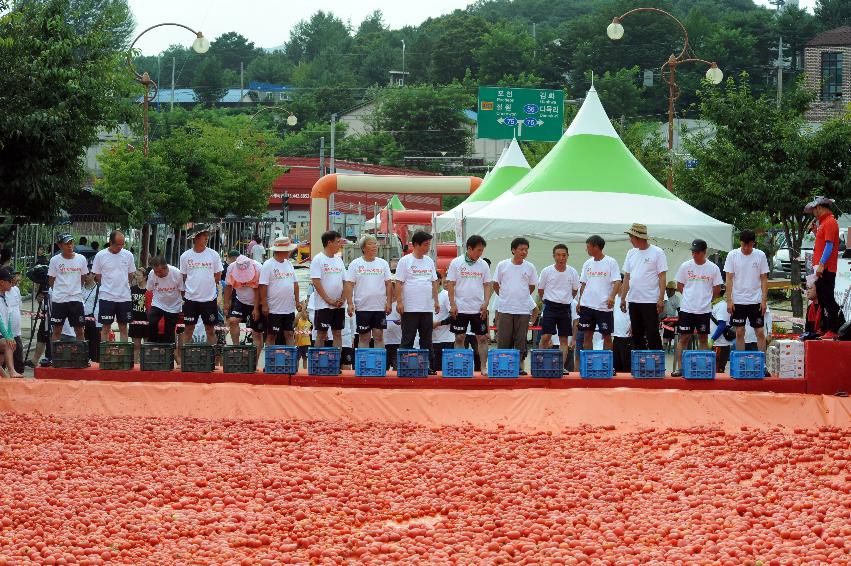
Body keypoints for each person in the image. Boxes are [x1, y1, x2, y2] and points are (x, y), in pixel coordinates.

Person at [671, 239, 724, 377]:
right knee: (684, 338)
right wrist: (689, 298)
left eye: (697, 252)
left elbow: (717, 288)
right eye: (693, 252)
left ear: (705, 252)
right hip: (687, 309)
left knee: (702, 338)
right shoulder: (685, 266)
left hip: (704, 310)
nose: (694, 255)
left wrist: (706, 300)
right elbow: (680, 285)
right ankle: (680, 368)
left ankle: (702, 368)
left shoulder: (713, 268)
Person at [446, 235, 492, 375]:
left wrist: (486, 303)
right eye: (478, 250)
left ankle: (483, 367)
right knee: (460, 337)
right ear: (469, 248)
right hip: (461, 308)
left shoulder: (483, 264)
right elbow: (450, 284)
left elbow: (487, 285)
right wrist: (452, 304)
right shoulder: (456, 263)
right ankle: (459, 366)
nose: (480, 253)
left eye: (482, 250)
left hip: (478, 308)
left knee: (482, 338)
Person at [396, 231, 439, 372]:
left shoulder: (429, 261)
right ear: (415, 245)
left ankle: (427, 367)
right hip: (410, 307)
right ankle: (405, 366)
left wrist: (436, 301)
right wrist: (399, 302)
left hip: (426, 307)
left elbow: (434, 282)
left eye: (429, 244)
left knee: (427, 339)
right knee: (408, 338)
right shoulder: (405, 261)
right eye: (426, 244)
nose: (428, 247)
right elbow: (398, 283)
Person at [575, 235, 621, 369]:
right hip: (587, 305)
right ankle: (588, 365)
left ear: (596, 247)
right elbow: (583, 283)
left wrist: (612, 297)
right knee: (587, 335)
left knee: (606, 336)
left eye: (588, 246)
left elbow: (617, 281)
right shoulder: (587, 263)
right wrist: (579, 301)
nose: (586, 249)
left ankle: (607, 365)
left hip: (603, 306)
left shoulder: (611, 262)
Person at [493, 237, 538, 375]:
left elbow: (531, 286)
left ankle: (519, 367)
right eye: (521, 249)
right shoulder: (502, 265)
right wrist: (506, 296)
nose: (524, 252)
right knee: (504, 339)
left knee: (520, 340)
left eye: (526, 249)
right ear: (513, 250)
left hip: (523, 309)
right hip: (505, 308)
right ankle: (503, 366)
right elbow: (496, 284)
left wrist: (522, 296)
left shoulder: (530, 267)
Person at [620, 223, 667, 351]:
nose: (630, 240)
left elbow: (662, 276)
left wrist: (661, 298)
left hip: (650, 300)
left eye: (631, 237)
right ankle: (640, 364)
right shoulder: (631, 253)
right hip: (634, 299)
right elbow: (627, 277)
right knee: (636, 333)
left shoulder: (657, 252)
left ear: (638, 237)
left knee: (652, 332)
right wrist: (623, 298)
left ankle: (657, 363)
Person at [724, 229, 770, 354]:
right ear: (740, 242)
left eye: (749, 245)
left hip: (756, 299)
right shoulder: (732, 255)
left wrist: (764, 300)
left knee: (760, 331)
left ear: (753, 243)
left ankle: (763, 363)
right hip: (738, 300)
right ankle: (740, 361)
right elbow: (728, 278)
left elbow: (764, 279)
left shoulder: (760, 255)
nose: (746, 248)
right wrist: (729, 300)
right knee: (739, 331)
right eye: (744, 245)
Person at [537, 243, 579, 375]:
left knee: (564, 339)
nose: (561, 258)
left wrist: (565, 300)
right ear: (554, 256)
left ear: (567, 256)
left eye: (564, 255)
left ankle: (560, 366)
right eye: (558, 255)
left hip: (565, 307)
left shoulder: (572, 272)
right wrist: (547, 300)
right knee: (545, 337)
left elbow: (574, 290)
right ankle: (540, 364)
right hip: (550, 306)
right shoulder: (546, 271)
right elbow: (540, 289)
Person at [345, 234, 392, 351]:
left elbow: (388, 283)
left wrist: (389, 302)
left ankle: (378, 364)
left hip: (379, 307)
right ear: (363, 248)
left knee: (378, 336)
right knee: (364, 337)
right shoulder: (355, 264)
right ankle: (363, 365)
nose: (374, 246)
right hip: (362, 307)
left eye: (375, 243)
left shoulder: (383, 263)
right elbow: (349, 285)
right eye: (370, 244)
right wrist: (350, 303)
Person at [806, 196, 843, 338]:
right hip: (820, 267)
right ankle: (826, 327)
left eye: (814, 209)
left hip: (826, 267)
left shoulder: (830, 222)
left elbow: (829, 245)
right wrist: (815, 231)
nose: (813, 213)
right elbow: (822, 243)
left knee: (827, 298)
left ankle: (834, 329)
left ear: (819, 207)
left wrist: (822, 264)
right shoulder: (823, 223)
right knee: (821, 297)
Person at [179, 225, 223, 346]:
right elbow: (183, 276)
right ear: (196, 238)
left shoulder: (213, 255)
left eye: (207, 236)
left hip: (209, 299)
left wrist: (206, 285)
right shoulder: (185, 256)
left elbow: (218, 276)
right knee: (188, 330)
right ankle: (184, 359)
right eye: (204, 236)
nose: (207, 238)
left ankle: (212, 359)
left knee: (210, 330)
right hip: (190, 299)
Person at [92, 230, 136, 343]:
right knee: (106, 328)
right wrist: (109, 286)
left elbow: (130, 276)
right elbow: (98, 277)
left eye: (122, 244)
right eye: (118, 245)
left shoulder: (128, 255)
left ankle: (123, 357)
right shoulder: (100, 255)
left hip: (124, 297)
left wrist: (123, 286)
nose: (120, 247)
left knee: (123, 328)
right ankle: (105, 357)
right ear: (110, 242)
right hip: (107, 297)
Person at [47, 234, 88, 342]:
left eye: (71, 243)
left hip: (76, 299)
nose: (70, 246)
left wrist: (75, 290)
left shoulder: (81, 259)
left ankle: (81, 357)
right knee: (57, 331)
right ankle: (55, 358)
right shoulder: (54, 260)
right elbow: (51, 280)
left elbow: (83, 277)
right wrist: (60, 291)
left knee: (79, 331)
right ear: (60, 246)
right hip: (59, 300)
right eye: (66, 244)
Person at [260, 237, 300, 349]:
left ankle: (290, 363)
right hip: (274, 308)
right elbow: (263, 285)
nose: (290, 252)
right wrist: (264, 304)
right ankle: (270, 363)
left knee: (290, 333)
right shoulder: (268, 265)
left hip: (289, 307)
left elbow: (295, 284)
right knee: (272, 335)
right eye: (288, 250)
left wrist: (297, 301)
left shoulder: (289, 264)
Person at [310, 230, 346, 348]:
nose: (339, 245)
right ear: (329, 243)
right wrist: (328, 299)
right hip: (323, 305)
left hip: (339, 305)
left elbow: (345, 281)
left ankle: (336, 362)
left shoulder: (339, 260)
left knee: (337, 333)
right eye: (337, 242)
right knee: (321, 333)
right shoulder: (318, 259)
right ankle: (318, 363)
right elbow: (316, 282)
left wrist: (342, 298)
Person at [224, 255, 263, 359]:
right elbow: (228, 286)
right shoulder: (231, 267)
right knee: (232, 321)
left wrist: (256, 308)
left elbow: (259, 289)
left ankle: (254, 360)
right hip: (240, 300)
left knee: (256, 333)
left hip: (256, 302)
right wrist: (226, 304)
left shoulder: (258, 267)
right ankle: (237, 349)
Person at [147, 256, 184, 345]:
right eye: (155, 271)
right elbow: (149, 289)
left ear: (166, 267)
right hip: (158, 303)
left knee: (169, 331)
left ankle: (168, 351)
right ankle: (152, 344)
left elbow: (182, 290)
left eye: (159, 272)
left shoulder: (177, 273)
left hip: (173, 305)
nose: (157, 274)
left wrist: (181, 301)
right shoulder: (152, 273)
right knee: (152, 321)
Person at [0, 267, 23, 378]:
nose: (12, 282)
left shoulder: (5, 297)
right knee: (8, 345)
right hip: (1, 335)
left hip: (2, 335)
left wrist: (10, 336)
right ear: (2, 282)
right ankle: (11, 371)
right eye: (10, 281)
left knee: (10, 345)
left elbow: (7, 319)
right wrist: (7, 337)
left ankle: (5, 378)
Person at [431, 273, 455, 371]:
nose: (431, 284)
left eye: (433, 281)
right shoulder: (427, 296)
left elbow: (454, 316)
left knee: (446, 371)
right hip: (432, 340)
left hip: (446, 339)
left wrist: (439, 323)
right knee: (433, 371)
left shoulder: (445, 295)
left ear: (439, 281)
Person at [710, 285, 733, 373]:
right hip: (715, 344)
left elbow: (722, 325)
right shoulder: (714, 305)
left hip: (720, 345)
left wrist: (712, 339)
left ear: (717, 292)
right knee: (712, 371)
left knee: (718, 371)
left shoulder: (722, 305)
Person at [129, 268, 148, 363]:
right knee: (136, 345)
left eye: (139, 275)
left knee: (147, 345)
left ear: (145, 277)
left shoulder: (150, 290)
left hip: (147, 320)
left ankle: (147, 364)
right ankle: (135, 364)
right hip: (135, 320)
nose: (136, 277)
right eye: (135, 275)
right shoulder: (132, 289)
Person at [612, 295, 632, 373]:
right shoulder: (614, 297)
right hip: (616, 336)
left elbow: (636, 313)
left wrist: (633, 325)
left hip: (627, 336)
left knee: (627, 367)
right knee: (616, 366)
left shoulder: (630, 296)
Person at [662, 281, 681, 354]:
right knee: (666, 325)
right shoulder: (663, 297)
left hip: (671, 319)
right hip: (662, 318)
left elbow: (680, 313)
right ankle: (665, 345)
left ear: (674, 291)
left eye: (671, 289)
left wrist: (673, 321)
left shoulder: (676, 299)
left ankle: (665, 346)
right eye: (668, 289)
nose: (669, 291)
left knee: (669, 325)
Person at [295, 306, 312, 370]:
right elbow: (296, 332)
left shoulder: (309, 323)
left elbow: (310, 332)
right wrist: (296, 342)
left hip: (307, 344)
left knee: (305, 358)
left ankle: (305, 371)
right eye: (305, 312)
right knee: (297, 358)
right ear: (302, 313)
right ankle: (296, 370)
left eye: (308, 313)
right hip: (299, 344)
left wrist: (308, 332)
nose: (307, 314)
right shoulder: (298, 322)